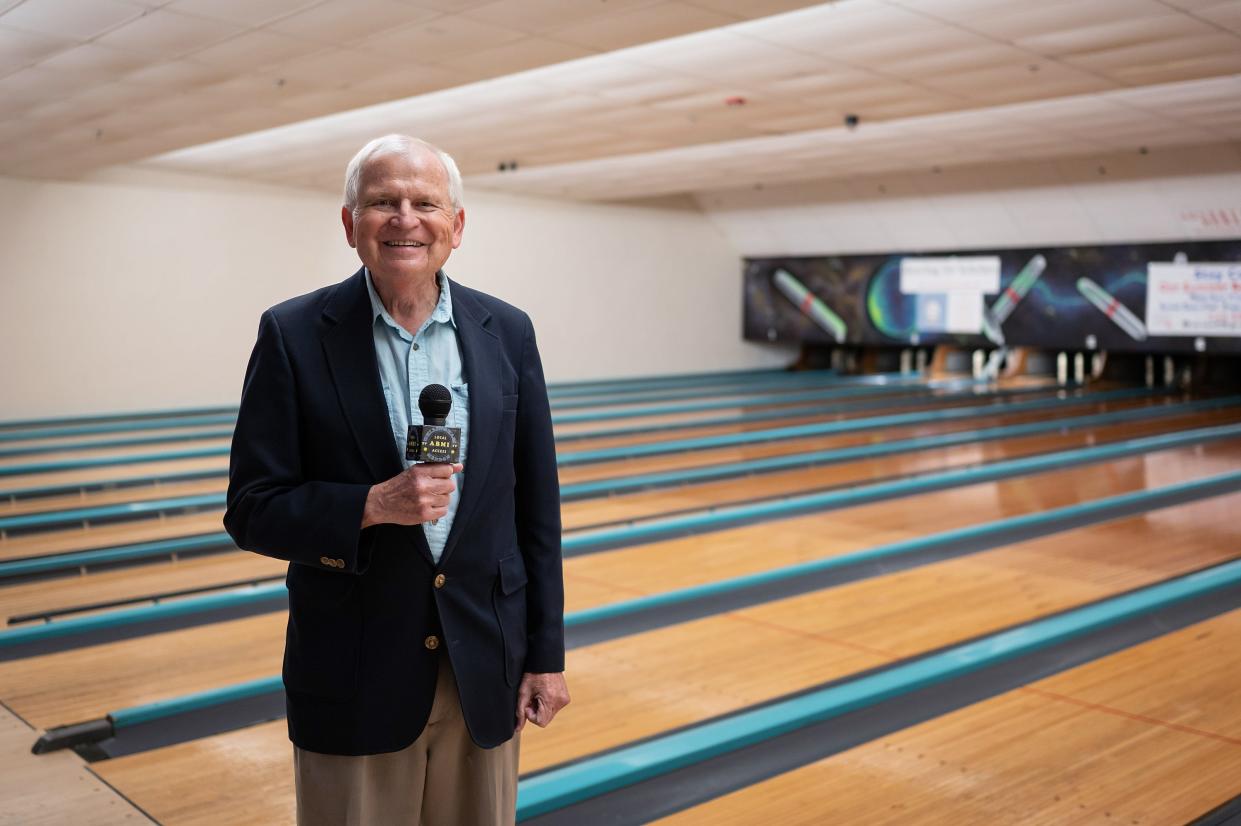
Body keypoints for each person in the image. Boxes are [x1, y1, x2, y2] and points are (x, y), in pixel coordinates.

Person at [224, 134, 568, 826]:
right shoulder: (293, 334)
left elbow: (535, 508)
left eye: (424, 203)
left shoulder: (508, 331)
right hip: (354, 669)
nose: (403, 218)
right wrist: (369, 506)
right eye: (381, 202)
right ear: (350, 224)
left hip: (484, 666)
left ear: (456, 226)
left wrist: (545, 655)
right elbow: (251, 509)